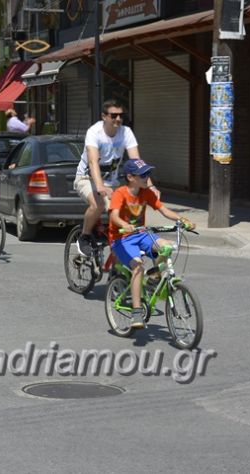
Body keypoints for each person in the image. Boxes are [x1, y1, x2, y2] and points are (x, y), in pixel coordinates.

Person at [108, 159, 194, 328]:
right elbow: (114, 216)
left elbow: (163, 209)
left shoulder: (146, 193)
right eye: (143, 175)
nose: (147, 177)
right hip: (122, 238)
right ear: (131, 177)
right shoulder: (120, 193)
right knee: (138, 267)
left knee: (166, 247)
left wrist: (182, 219)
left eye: (148, 174)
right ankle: (137, 311)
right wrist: (124, 225)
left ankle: (154, 278)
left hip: (142, 234)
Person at [74, 99, 157, 258]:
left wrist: (151, 187)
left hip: (111, 181)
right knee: (98, 204)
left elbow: (136, 162)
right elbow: (92, 162)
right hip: (86, 177)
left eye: (121, 116)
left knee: (127, 210)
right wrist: (99, 186)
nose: (118, 119)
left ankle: (122, 245)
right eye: (113, 116)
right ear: (104, 117)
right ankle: (84, 236)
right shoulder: (94, 132)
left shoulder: (126, 132)